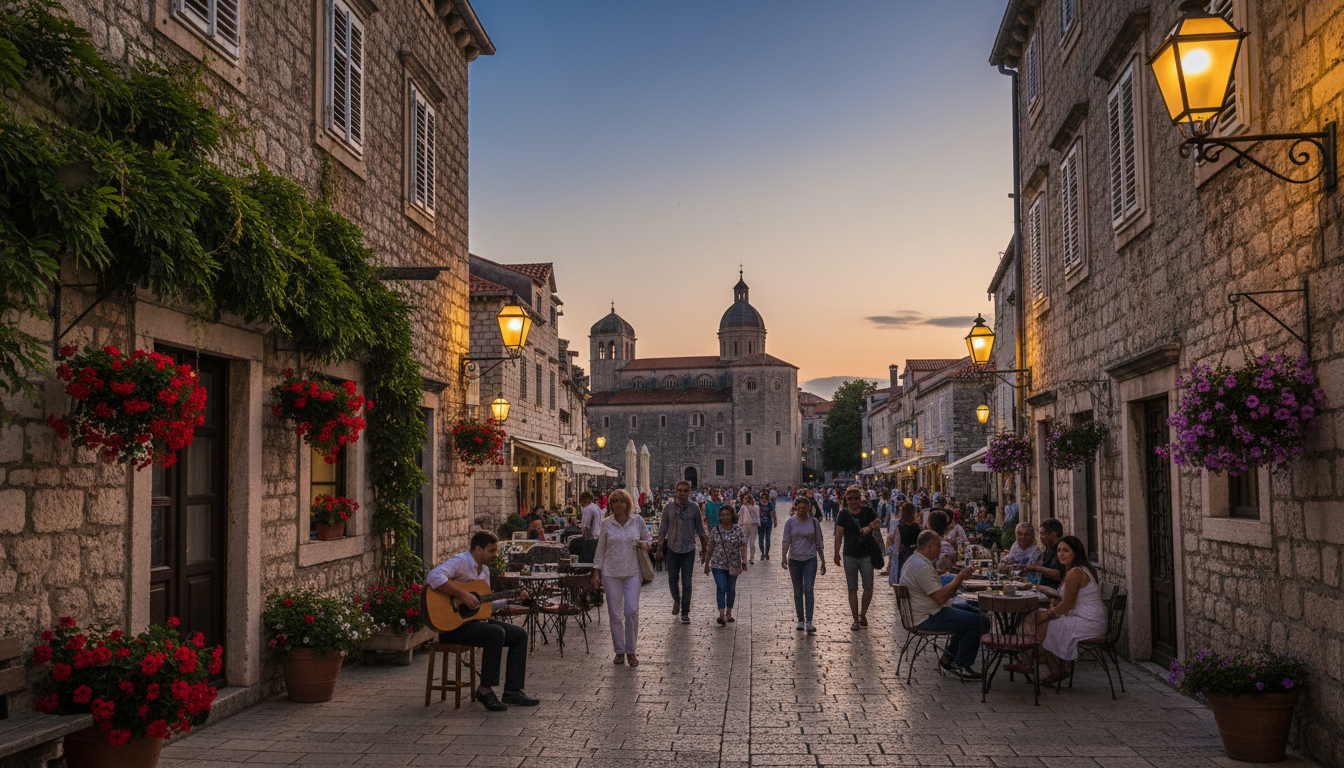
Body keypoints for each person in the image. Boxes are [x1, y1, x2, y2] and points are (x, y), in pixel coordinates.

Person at [426, 531, 539, 710]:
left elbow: (485, 606)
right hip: (452, 627)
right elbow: (433, 576)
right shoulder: (461, 561)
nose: (496, 555)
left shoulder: (484, 570)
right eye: (492, 551)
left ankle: (512, 691)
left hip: (474, 623)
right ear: (478, 549)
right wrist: (462, 594)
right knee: (495, 633)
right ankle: (485, 690)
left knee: (519, 634)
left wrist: (513, 599)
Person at [1013, 535, 1108, 685]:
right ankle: (1036, 661)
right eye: (1059, 550)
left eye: (1066, 550)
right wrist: (1050, 599)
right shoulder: (1072, 570)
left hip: (1089, 622)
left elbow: (1067, 605)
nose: (1061, 554)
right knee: (1034, 618)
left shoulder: (1075, 573)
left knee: (1041, 623)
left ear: (1075, 553)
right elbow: (1065, 599)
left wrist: (1049, 614)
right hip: (1081, 616)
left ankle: (1035, 661)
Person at [899, 530, 985, 680]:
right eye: (939, 546)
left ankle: (948, 658)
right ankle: (963, 664)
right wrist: (960, 578)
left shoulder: (914, 560)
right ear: (931, 546)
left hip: (924, 612)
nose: (940, 550)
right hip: (927, 616)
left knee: (975, 613)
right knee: (980, 622)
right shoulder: (922, 566)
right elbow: (940, 597)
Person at [591, 489, 651, 667]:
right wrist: (596, 572)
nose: (618, 505)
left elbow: (648, 539)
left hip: (633, 571)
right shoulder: (606, 524)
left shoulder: (637, 521)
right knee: (615, 615)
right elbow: (600, 549)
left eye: (621, 501)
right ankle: (619, 651)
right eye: (614, 502)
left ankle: (631, 650)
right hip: (611, 573)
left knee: (631, 610)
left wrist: (645, 544)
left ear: (627, 503)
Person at [658, 480, 707, 625]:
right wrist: (659, 549)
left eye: (685, 490)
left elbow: (700, 529)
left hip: (688, 549)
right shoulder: (668, 508)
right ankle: (676, 599)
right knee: (672, 579)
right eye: (680, 490)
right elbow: (662, 530)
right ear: (676, 491)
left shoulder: (694, 507)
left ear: (689, 491)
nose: (682, 493)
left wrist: (704, 550)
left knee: (687, 582)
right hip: (672, 548)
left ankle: (685, 612)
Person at [834, 485, 880, 631]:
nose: (853, 501)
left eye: (855, 498)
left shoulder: (868, 511)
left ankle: (862, 614)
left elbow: (878, 523)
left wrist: (870, 527)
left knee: (868, 587)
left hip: (866, 554)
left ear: (860, 498)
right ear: (846, 500)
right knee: (852, 588)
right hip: (849, 555)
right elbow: (839, 534)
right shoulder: (843, 514)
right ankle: (855, 620)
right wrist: (836, 553)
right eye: (849, 499)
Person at [780, 496, 826, 632]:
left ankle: (809, 621)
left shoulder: (814, 522)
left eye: (805, 508)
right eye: (800, 508)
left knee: (809, 589)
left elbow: (819, 542)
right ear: (796, 508)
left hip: (810, 559)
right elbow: (786, 540)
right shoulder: (790, 522)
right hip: (794, 560)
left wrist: (823, 560)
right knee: (798, 591)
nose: (802, 511)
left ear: (809, 508)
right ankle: (800, 620)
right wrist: (784, 557)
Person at [704, 505, 748, 626]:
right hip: (717, 564)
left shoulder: (738, 530)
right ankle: (721, 614)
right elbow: (710, 547)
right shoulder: (715, 530)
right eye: (722, 515)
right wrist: (707, 564)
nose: (724, 517)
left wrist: (744, 561)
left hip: (733, 564)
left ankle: (729, 612)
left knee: (731, 589)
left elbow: (743, 546)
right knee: (721, 587)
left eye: (727, 515)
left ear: (732, 515)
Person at [1025, 518, 1065, 590]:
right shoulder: (1048, 548)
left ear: (1053, 535)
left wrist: (1037, 568)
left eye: (1043, 534)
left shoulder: (1062, 550)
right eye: (1040, 534)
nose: (1040, 537)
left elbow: (1060, 575)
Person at [738, 492, 761, 564]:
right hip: (749, 525)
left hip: (749, 525)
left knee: (748, 542)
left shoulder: (752, 507)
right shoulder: (745, 507)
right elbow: (740, 515)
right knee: (748, 542)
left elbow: (740, 516)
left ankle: (748, 558)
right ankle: (748, 558)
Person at [758, 489, 777, 561]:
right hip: (760, 525)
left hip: (768, 524)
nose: (763, 499)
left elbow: (773, 512)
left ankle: (767, 553)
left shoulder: (770, 504)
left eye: (764, 497)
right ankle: (762, 553)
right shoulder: (758, 505)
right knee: (760, 540)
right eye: (761, 497)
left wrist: (775, 520)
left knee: (768, 540)